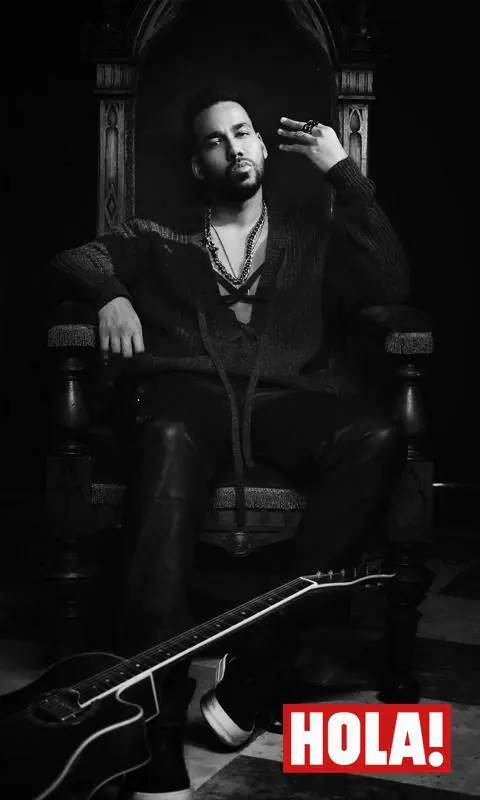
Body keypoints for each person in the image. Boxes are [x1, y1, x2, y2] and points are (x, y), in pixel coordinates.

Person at [51, 87, 409, 799]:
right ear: (199, 164)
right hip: (185, 396)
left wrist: (342, 170)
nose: (233, 146)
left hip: (282, 400)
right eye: (215, 140)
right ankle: (154, 723)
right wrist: (111, 294)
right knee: (168, 434)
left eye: (243, 132)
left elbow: (391, 279)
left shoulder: (309, 234)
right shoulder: (159, 235)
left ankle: (261, 667)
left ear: (264, 148)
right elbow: (75, 257)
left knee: (375, 435)